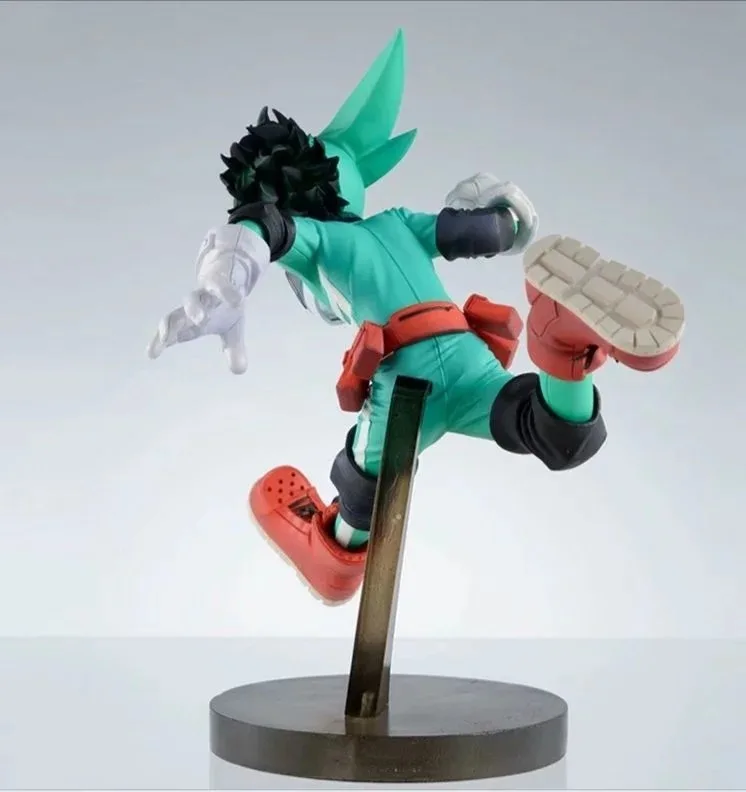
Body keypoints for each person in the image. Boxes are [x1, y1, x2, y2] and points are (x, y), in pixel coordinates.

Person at [148, 30, 685, 606]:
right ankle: (562, 350)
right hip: (467, 353)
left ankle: (333, 555)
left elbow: (265, 229)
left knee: (366, 483)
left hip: (404, 383)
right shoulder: (398, 222)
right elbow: (478, 233)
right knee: (553, 433)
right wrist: (506, 215)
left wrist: (226, 279)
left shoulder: (319, 241)